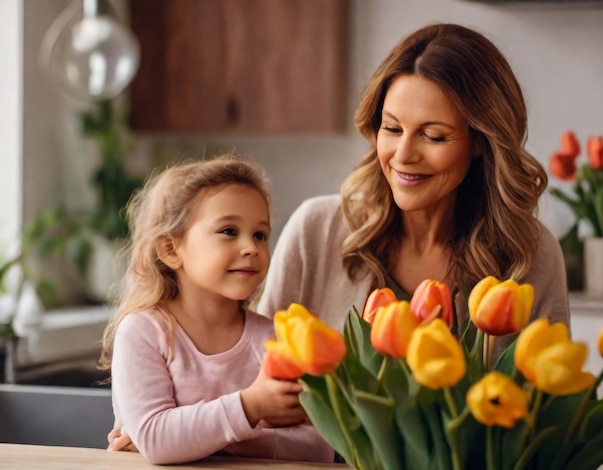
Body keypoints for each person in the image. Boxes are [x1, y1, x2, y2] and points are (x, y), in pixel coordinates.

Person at [256, 23, 570, 357]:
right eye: (392, 128)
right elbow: (255, 377)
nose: (403, 155)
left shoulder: (530, 255)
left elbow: (549, 400)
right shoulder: (314, 232)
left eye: (433, 136)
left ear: (480, 141)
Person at [99, 156, 334, 464]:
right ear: (171, 250)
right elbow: (157, 439)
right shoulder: (143, 332)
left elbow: (320, 447)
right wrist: (250, 408)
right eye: (228, 231)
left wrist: (203, 442)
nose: (251, 247)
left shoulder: (275, 338)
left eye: (260, 235)